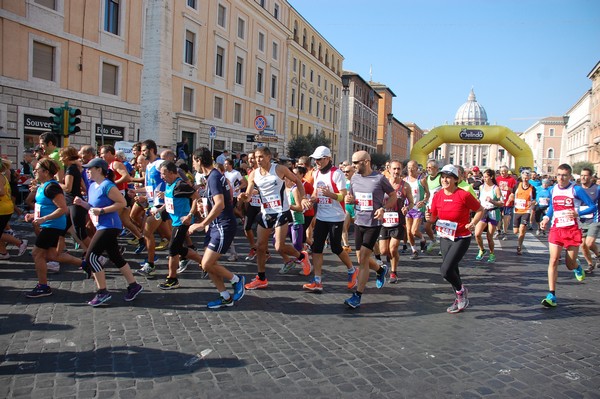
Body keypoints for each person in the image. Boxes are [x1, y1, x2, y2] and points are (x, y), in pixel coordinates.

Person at [239, 147, 312, 290]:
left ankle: (302, 257)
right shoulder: (253, 174)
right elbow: (248, 196)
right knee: (260, 247)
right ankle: (261, 278)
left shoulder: (279, 169)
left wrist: (303, 198)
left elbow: (297, 181)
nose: (257, 160)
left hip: (281, 212)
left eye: (260, 157)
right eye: (255, 157)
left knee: (279, 246)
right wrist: (244, 197)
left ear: (268, 157)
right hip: (266, 213)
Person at [73, 158, 144, 306]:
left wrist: (103, 210)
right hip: (101, 226)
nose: (86, 171)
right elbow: (93, 207)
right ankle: (134, 285)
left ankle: (102, 292)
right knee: (116, 257)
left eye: (89, 168)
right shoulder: (92, 186)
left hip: (110, 226)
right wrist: (82, 203)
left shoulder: (108, 186)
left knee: (91, 257)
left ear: (99, 170)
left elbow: (122, 203)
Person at [188, 148, 245, 308]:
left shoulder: (213, 177)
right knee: (207, 264)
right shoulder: (212, 177)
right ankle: (225, 297)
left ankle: (236, 280)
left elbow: (220, 204)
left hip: (222, 226)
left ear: (199, 160)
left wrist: (202, 223)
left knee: (206, 264)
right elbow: (216, 202)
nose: (193, 165)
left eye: (193, 161)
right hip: (215, 226)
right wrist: (203, 208)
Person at [23, 158, 86, 298]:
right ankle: (86, 264)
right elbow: (45, 207)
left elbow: (62, 208)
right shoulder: (43, 185)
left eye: (37, 169)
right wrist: (34, 215)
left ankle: (43, 286)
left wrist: (43, 219)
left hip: (53, 226)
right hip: (48, 224)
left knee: (36, 254)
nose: (34, 171)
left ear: (45, 172)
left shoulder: (52, 187)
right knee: (52, 255)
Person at [426, 165, 484, 313]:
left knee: (445, 270)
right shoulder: (438, 195)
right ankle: (459, 298)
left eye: (448, 177)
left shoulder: (463, 195)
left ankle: (461, 291)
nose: (445, 180)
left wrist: (473, 223)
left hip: (461, 237)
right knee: (453, 270)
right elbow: (433, 217)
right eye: (443, 177)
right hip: (445, 236)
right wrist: (428, 218)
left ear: (456, 180)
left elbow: (480, 210)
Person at [343, 150, 396, 308]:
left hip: (373, 223)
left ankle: (357, 296)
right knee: (361, 259)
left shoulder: (380, 179)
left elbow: (393, 196)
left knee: (364, 259)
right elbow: (351, 198)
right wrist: (349, 199)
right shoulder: (354, 178)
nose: (352, 166)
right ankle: (380, 270)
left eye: (355, 163)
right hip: (359, 222)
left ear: (366, 162)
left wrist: (383, 208)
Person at [540, 163, 597, 307]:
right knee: (553, 260)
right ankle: (551, 295)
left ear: (570, 176)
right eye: (559, 175)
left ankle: (577, 266)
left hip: (572, 229)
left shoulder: (576, 190)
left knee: (569, 264)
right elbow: (552, 206)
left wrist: (579, 212)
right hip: (556, 229)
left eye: (564, 175)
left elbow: (593, 206)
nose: (561, 178)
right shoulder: (553, 189)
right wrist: (546, 218)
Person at [302, 146, 358, 292]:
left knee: (336, 247)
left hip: (336, 216)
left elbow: (343, 195)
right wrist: (310, 200)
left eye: (319, 159)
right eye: (315, 159)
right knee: (316, 248)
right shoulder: (316, 173)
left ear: (328, 158)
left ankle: (352, 270)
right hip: (321, 215)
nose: (317, 162)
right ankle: (317, 280)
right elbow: (315, 193)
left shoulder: (337, 173)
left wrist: (330, 194)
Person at [379, 160, 413, 283]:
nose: (396, 171)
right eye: (394, 169)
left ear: (401, 170)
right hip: (384, 221)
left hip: (399, 221)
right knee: (383, 250)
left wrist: (407, 208)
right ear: (389, 170)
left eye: (398, 169)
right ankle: (390, 259)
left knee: (393, 248)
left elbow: (411, 202)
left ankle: (393, 272)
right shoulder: (384, 183)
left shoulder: (405, 186)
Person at [0, 159, 28, 259]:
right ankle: (3, 253)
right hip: (5, 207)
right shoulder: (2, 175)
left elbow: (1, 192)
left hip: (2, 209)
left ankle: (20, 243)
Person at [474, 169, 503, 263]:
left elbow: (501, 203)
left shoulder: (496, 188)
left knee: (489, 236)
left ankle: (492, 253)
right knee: (477, 234)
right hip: (483, 212)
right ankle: (482, 250)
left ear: (491, 177)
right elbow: (479, 199)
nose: (484, 178)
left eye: (486, 177)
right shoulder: (481, 187)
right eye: (483, 176)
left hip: (493, 213)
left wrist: (492, 201)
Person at [576, 167, 600, 273]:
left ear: (590, 177)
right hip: (581, 220)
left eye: (585, 175)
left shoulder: (597, 189)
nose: (583, 177)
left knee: (589, 243)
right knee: (582, 244)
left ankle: (598, 255)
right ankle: (590, 264)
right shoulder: (576, 189)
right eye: (582, 175)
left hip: (594, 219)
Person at [405, 160, 430, 259]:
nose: (410, 169)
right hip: (408, 208)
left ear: (416, 168)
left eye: (412, 167)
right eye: (409, 167)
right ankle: (414, 250)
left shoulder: (421, 180)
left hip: (418, 208)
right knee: (408, 232)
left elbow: (428, 194)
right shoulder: (404, 180)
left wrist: (423, 201)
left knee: (414, 231)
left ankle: (423, 239)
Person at [510, 169, 536, 255]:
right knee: (515, 231)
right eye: (524, 178)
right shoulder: (517, 185)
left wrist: (532, 203)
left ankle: (519, 246)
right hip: (517, 210)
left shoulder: (532, 188)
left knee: (522, 229)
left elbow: (534, 200)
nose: (525, 179)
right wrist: (510, 199)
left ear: (529, 178)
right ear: (521, 177)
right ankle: (519, 239)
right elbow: (512, 194)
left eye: (527, 178)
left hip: (526, 211)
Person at [496, 166, 517, 240]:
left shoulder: (512, 180)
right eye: (501, 171)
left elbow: (515, 191)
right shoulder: (497, 179)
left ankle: (505, 232)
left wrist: (510, 189)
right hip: (499, 201)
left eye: (504, 171)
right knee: (497, 217)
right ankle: (498, 230)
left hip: (507, 202)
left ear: (507, 171)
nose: (502, 172)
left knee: (506, 218)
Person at [341, 164, 355, 252]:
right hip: (347, 207)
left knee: (360, 228)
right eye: (344, 172)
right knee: (344, 226)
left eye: (347, 171)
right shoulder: (343, 182)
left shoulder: (357, 182)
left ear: (353, 172)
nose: (345, 173)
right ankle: (346, 246)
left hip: (356, 207)